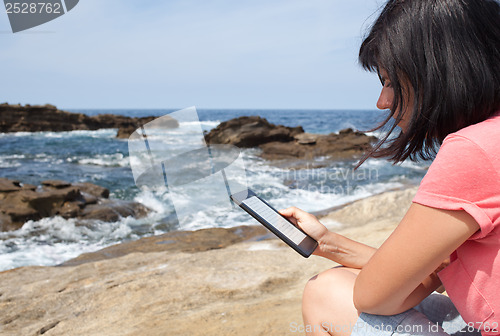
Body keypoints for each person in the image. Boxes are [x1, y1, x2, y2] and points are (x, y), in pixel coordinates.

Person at [279, 0, 500, 335]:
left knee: (327, 292)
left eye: (390, 81)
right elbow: (416, 274)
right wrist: (329, 244)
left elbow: (374, 297)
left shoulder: (475, 149)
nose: (382, 101)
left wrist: (437, 264)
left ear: (440, 68)